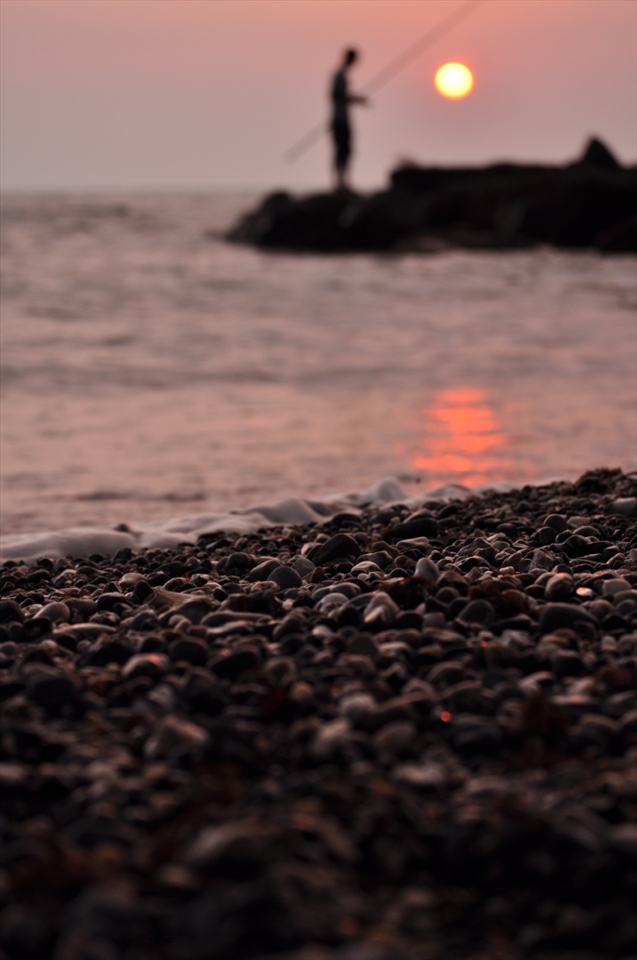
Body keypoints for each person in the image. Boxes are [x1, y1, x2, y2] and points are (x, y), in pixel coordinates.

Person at [331, 48, 367, 191]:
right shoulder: (339, 75)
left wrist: (354, 99)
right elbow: (335, 95)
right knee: (342, 151)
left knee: (345, 151)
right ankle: (340, 183)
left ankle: (343, 182)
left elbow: (340, 96)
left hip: (342, 119)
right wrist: (356, 99)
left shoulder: (342, 75)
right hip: (339, 120)